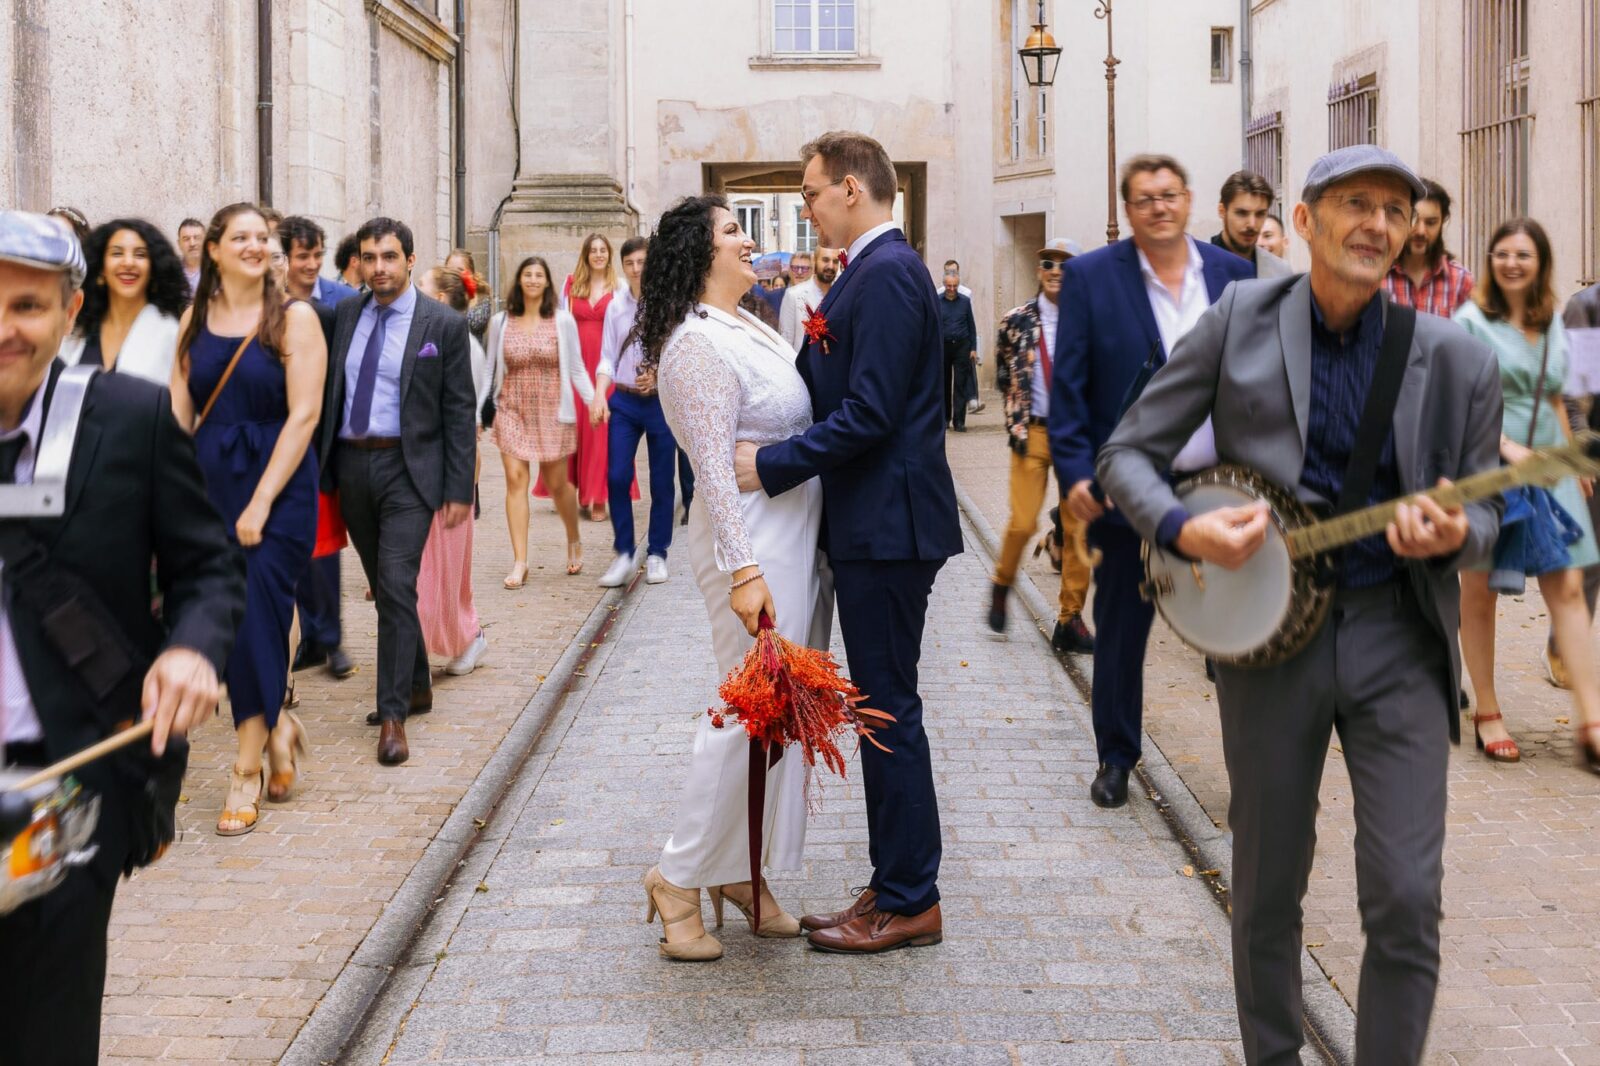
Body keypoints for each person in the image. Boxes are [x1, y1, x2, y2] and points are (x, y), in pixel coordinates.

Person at [1098, 145, 1503, 1065]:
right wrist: (1180, 529)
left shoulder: (1455, 358)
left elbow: (1489, 517)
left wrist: (1453, 535)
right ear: (1307, 222)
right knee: (1268, 887)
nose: (1377, 224)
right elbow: (1128, 453)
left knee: (1405, 893)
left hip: (1398, 639)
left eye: (1395, 212)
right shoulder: (1240, 316)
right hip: (1269, 644)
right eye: (1355, 204)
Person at [0, 211, 245, 1065]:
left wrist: (190, 648)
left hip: (56, 794)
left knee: (47, 1031)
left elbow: (210, 566)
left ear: (69, 313)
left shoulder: (130, 419)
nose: (4, 329)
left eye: (26, 306)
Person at [735, 129, 961, 954]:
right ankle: (892, 881)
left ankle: (910, 897)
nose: (806, 205)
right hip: (873, 523)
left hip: (891, 526)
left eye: (810, 191)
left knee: (887, 709)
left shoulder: (893, 274)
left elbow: (871, 414)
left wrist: (771, 466)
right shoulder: (868, 270)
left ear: (853, 190)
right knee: (877, 707)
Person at [634, 195, 829, 961]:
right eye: (729, 232)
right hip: (753, 551)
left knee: (781, 723)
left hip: (792, 540)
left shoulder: (743, 324)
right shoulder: (692, 345)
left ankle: (743, 874)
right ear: (697, 252)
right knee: (746, 717)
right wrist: (744, 571)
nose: (745, 241)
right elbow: (713, 469)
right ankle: (677, 878)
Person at [1051, 153, 1253, 809]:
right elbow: (1070, 388)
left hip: (1216, 485)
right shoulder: (1091, 279)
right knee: (1121, 630)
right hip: (1127, 494)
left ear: (1189, 200)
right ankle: (1116, 757)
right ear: (1128, 211)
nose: (1159, 207)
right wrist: (1076, 473)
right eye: (1144, 199)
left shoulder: (1233, 275)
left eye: (1169, 195)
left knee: (1233, 633)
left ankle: (1248, 772)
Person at [169, 202, 326, 834]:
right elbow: (179, 418)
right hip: (210, 486)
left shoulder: (297, 319)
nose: (257, 245)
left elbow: (305, 417)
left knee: (256, 614)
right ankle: (279, 726)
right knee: (228, 624)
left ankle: (244, 768)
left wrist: (260, 501)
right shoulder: (192, 320)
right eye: (242, 237)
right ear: (213, 249)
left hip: (279, 488)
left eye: (264, 237)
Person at [317, 217, 476, 765]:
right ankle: (415, 685)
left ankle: (391, 717)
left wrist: (460, 486)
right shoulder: (343, 315)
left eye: (389, 256)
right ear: (358, 263)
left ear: (410, 260)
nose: (378, 267)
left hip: (410, 472)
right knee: (389, 591)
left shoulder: (441, 326)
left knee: (394, 581)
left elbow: (459, 411)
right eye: (369, 257)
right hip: (352, 468)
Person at [1452, 218, 1600, 769]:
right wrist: (1512, 451)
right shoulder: (1470, 323)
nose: (1513, 263)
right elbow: (1460, 408)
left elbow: (1561, 395)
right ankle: (1487, 711)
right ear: (1491, 262)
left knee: (1567, 588)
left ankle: (1591, 718)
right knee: (1480, 591)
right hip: (1490, 466)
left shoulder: (1554, 322)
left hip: (1552, 468)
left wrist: (1571, 452)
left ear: (1540, 263)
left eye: (1524, 255)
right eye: (1503, 254)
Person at [988, 237, 1093, 654]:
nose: (1056, 271)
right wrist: (1015, 414)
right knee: (1024, 520)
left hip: (1075, 436)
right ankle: (1001, 582)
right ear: (1038, 270)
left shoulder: (1087, 321)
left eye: (1065, 265)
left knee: (1080, 529)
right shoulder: (1016, 321)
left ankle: (1070, 620)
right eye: (1048, 263)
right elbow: (1002, 374)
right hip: (1032, 432)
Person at [278, 215, 357, 681]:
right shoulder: (266, 304)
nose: (310, 264)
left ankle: (329, 637)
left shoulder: (341, 302)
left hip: (324, 439)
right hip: (276, 434)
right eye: (302, 255)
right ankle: (306, 637)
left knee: (322, 546)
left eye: (316, 255)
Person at [488, 256, 592, 587]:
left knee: (558, 484)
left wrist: (593, 401)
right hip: (512, 407)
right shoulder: (500, 322)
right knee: (515, 481)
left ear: (547, 282)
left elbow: (576, 367)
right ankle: (520, 561)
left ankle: (573, 536)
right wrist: (478, 412)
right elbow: (490, 371)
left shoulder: (562, 321)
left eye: (538, 275)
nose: (532, 279)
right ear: (519, 280)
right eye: (527, 274)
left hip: (552, 410)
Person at [591, 237, 678, 588]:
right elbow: (607, 356)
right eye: (630, 263)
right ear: (623, 267)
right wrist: (599, 394)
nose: (637, 269)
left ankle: (657, 552)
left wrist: (658, 375)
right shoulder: (615, 307)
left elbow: (678, 351)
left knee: (661, 480)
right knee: (615, 475)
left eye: (642, 262)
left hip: (659, 402)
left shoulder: (667, 305)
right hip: (624, 401)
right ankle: (625, 552)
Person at [415, 266, 489, 675]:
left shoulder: (461, 342)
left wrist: (463, 482)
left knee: (447, 568)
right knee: (424, 570)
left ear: (440, 298)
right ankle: (419, 648)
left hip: (450, 466)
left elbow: (467, 415)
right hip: (422, 466)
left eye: (422, 287)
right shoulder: (426, 333)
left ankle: (469, 635)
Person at [62, 218, 186, 385]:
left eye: (140, 254)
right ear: (101, 269)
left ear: (153, 268)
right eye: (117, 253)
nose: (128, 263)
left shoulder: (171, 333)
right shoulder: (77, 329)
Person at [551, 233, 619, 522]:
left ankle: (598, 498)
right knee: (574, 428)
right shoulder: (571, 284)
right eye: (593, 250)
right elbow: (557, 322)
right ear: (586, 254)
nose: (599, 254)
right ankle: (571, 488)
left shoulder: (619, 288)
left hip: (604, 365)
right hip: (575, 364)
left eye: (603, 250)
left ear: (609, 254)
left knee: (599, 430)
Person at [1384, 179, 1474, 316]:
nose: (1421, 231)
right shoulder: (1378, 277)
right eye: (1414, 220)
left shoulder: (1461, 281)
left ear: (1442, 222)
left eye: (1431, 223)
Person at [1212, 170, 1294, 278]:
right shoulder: (1196, 262)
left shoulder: (1280, 272)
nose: (1252, 224)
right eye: (1242, 213)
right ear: (1222, 211)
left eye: (1260, 214)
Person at [280, 215, 358, 309]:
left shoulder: (350, 299)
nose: (313, 265)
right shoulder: (269, 299)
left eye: (318, 255)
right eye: (303, 257)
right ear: (284, 258)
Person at [939, 259, 979, 432]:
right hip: (943, 346)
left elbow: (971, 325)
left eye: (955, 286)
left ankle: (959, 421)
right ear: (944, 285)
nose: (952, 290)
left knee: (960, 384)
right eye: (949, 287)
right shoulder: (937, 300)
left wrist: (973, 348)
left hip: (962, 345)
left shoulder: (964, 301)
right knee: (944, 384)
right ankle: (945, 418)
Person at [779, 246, 840, 351]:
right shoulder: (793, 295)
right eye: (825, 260)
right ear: (814, 261)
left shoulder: (842, 293)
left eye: (835, 261)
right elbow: (786, 343)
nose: (831, 266)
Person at [445, 247, 492, 343]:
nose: (455, 274)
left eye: (460, 270)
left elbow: (475, 323)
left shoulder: (482, 297)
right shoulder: (440, 295)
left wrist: (469, 295)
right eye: (450, 270)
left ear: (471, 272)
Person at [177, 216, 205, 299]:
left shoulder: (216, 270)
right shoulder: (172, 272)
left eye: (197, 238)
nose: (192, 243)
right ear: (179, 244)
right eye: (186, 239)